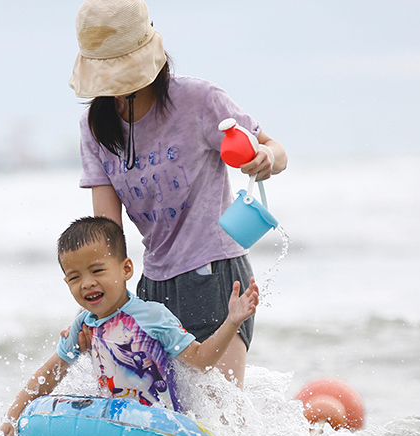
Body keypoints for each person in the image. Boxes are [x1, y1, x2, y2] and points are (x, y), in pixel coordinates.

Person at [70, 0, 287, 388]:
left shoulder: (198, 100)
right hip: (151, 287)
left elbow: (275, 149)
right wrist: (97, 308)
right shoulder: (95, 126)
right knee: (158, 408)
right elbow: (106, 232)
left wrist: (266, 158)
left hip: (215, 272)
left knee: (221, 411)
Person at [0, 217, 258, 436]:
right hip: (116, 428)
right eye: (75, 277)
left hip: (162, 430)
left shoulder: (152, 316)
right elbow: (50, 372)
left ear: (126, 269)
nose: (87, 283)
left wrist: (232, 321)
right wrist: (13, 416)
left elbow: (201, 360)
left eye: (97, 270)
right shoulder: (83, 325)